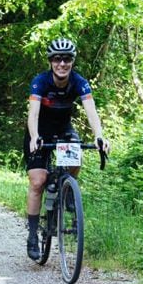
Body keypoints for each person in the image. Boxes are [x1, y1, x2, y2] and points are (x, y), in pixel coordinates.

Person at [24, 38, 110, 260]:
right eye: (57, 59)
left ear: (72, 61)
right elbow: (32, 113)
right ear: (51, 61)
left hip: (63, 129)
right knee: (37, 181)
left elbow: (91, 111)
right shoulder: (40, 82)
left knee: (75, 157)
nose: (62, 63)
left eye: (67, 59)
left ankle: (66, 188)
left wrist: (99, 136)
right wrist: (34, 136)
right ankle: (33, 235)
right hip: (40, 131)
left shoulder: (79, 82)